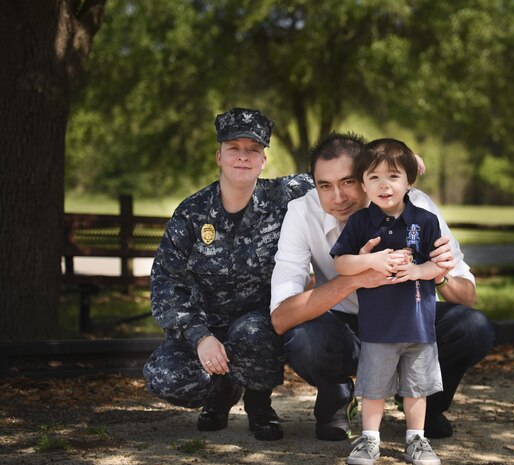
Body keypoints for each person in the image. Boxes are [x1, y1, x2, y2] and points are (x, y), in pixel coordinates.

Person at [270, 132, 495, 443]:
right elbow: (282, 317)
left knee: (473, 327)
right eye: (325, 185)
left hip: (409, 322)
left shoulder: (417, 208)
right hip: (345, 330)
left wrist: (438, 273)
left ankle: (423, 400)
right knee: (303, 337)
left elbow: (468, 298)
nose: (338, 197)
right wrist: (358, 276)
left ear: (365, 176)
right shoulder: (301, 212)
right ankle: (337, 398)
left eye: (348, 182)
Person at [143, 107, 314, 441]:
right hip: (205, 323)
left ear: (264, 159)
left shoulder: (283, 195)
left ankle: (259, 403)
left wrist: (394, 158)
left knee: (253, 330)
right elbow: (165, 285)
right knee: (166, 376)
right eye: (234, 148)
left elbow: (339, 168)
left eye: (252, 149)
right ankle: (219, 393)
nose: (243, 157)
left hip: (258, 324)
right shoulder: (191, 213)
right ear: (219, 156)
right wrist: (199, 335)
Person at [331, 138, 444, 465]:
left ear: (409, 182)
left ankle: (417, 440)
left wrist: (418, 270)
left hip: (419, 325)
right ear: (363, 184)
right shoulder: (360, 223)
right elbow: (341, 263)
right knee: (374, 389)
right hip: (378, 328)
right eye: (374, 177)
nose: (383, 185)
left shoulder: (425, 220)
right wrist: (373, 261)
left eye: (393, 176)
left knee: (416, 389)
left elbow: (440, 265)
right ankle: (369, 441)